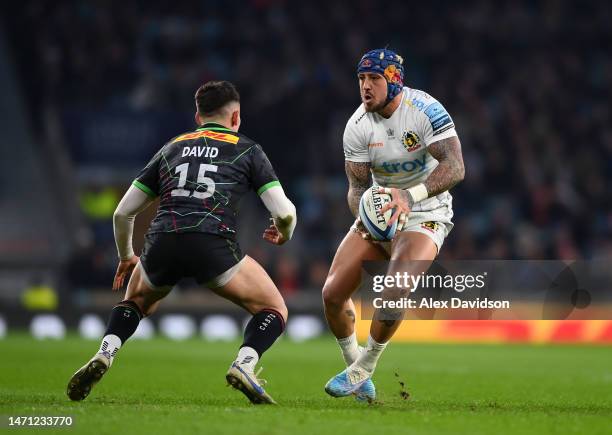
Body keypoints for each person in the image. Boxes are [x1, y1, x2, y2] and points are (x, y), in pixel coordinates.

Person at [66, 81, 297, 405]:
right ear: (236, 118)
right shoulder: (247, 149)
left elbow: (122, 213)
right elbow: (284, 211)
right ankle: (244, 365)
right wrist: (283, 233)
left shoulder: (172, 147)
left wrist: (126, 256)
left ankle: (106, 352)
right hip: (212, 244)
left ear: (198, 116)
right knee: (274, 308)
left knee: (137, 301)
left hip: (163, 241)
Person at [323, 49, 465, 401]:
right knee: (331, 294)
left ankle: (365, 366)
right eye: (361, 80)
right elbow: (356, 190)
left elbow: (456, 167)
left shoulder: (425, 111)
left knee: (394, 290)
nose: (365, 87)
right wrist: (368, 218)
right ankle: (354, 365)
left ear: (394, 80)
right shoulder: (356, 127)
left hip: (426, 211)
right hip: (382, 212)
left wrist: (410, 196)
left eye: (374, 79)